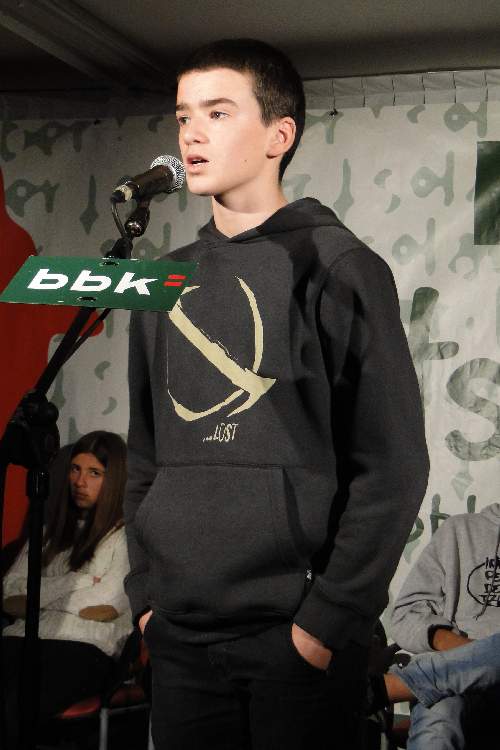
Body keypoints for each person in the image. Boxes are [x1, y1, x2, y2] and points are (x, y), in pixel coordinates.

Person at [123, 38, 429, 750]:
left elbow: (393, 465)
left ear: (278, 135)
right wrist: (146, 601)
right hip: (179, 635)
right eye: (183, 116)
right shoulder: (165, 278)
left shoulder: (340, 265)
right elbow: (145, 456)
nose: (192, 134)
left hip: (293, 638)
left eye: (218, 113)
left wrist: (324, 624)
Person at [1, 430, 132, 746]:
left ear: (114, 481)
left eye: (94, 473)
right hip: (20, 639)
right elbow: (8, 595)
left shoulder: (126, 539)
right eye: (75, 469)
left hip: (84, 648)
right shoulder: (47, 534)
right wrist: (80, 582)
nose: (80, 481)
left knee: (15, 705)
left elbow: (105, 606)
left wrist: (36, 596)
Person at [369, 503, 500, 748]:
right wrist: (470, 656)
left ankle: (395, 686)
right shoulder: (459, 530)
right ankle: (416, 684)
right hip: (451, 685)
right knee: (439, 711)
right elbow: (407, 616)